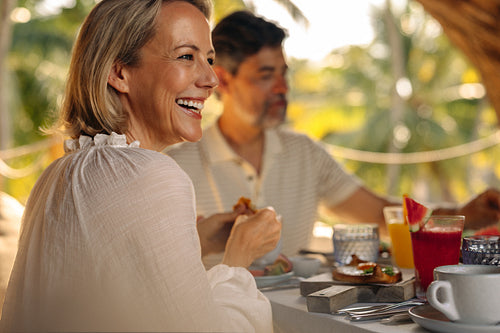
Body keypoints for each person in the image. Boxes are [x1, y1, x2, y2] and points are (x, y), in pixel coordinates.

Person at [0, 1, 282, 331]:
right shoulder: (152, 175)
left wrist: (197, 240)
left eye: (209, 59)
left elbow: (107, 286)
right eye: (186, 56)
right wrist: (237, 259)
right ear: (119, 73)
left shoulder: (60, 173)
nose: (210, 79)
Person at [166, 10, 500, 269]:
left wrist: (462, 214)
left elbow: (383, 216)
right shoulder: (175, 167)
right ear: (223, 80)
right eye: (266, 76)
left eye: (284, 73)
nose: (282, 88)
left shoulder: (305, 154)